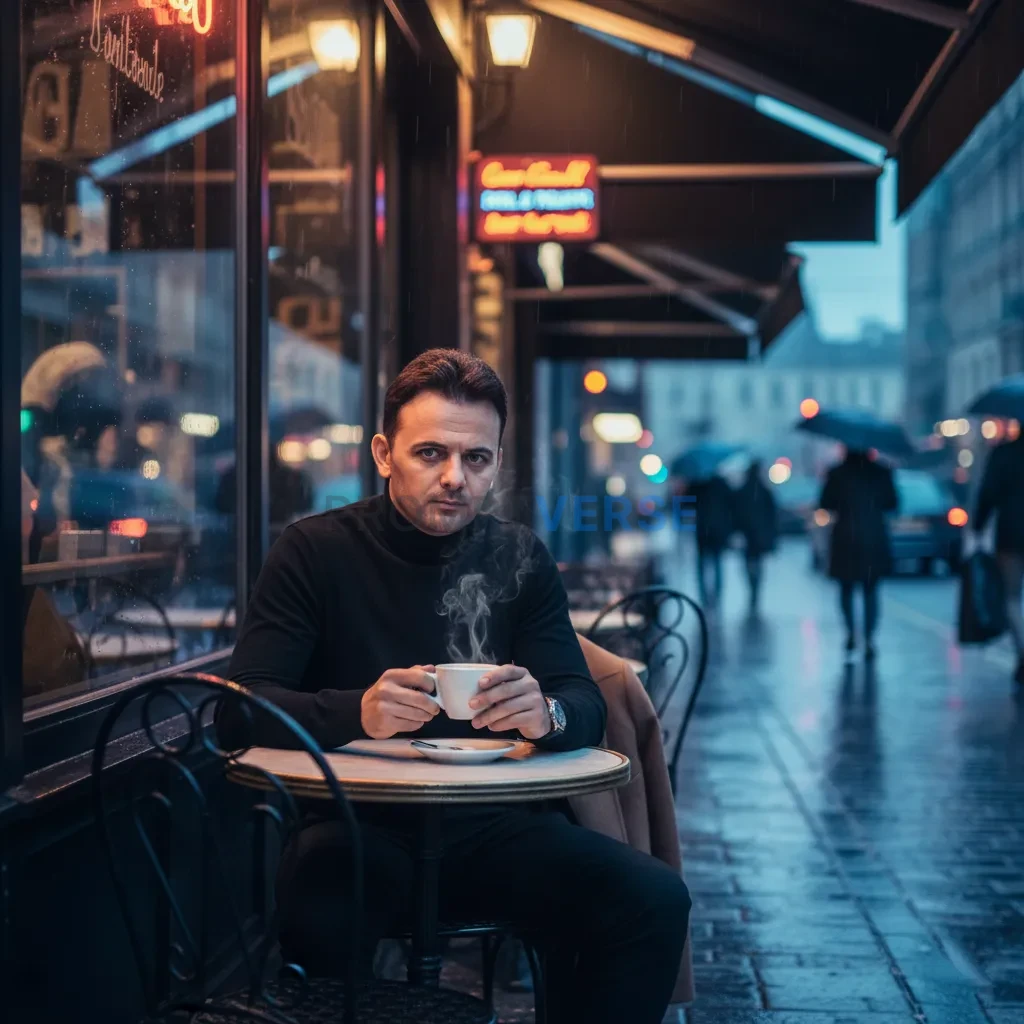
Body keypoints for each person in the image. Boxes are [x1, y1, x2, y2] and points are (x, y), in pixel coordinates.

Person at [221, 349, 691, 1024]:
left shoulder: (519, 558)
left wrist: (548, 712)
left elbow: (583, 704)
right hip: (358, 829)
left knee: (654, 899)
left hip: (493, 832)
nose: (454, 478)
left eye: (477, 459)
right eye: (430, 453)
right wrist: (359, 711)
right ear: (384, 454)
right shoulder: (315, 551)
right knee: (321, 896)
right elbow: (239, 712)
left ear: (496, 462)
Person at [819, 449, 898, 660]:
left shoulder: (837, 473)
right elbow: (892, 503)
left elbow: (825, 503)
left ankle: (850, 632)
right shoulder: (881, 472)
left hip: (845, 538)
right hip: (873, 537)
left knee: (846, 589)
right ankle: (869, 637)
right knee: (870, 590)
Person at [974, 431, 1024, 684]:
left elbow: (988, 493)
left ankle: (1022, 649)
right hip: (1010, 534)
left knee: (1012, 596)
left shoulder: (1003, 453)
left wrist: (978, 526)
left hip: (1012, 534)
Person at [732, 460, 778, 613]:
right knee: (758, 564)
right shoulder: (765, 490)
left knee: (748, 564)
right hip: (759, 535)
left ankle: (752, 588)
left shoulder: (742, 490)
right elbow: (772, 514)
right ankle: (755, 590)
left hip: (747, 534)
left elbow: (736, 513)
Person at [687, 472, 733, 609]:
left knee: (702, 564)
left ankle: (704, 595)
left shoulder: (696, 484)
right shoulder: (722, 484)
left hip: (703, 530)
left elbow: (688, 503)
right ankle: (716, 595)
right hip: (717, 530)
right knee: (717, 562)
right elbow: (730, 505)